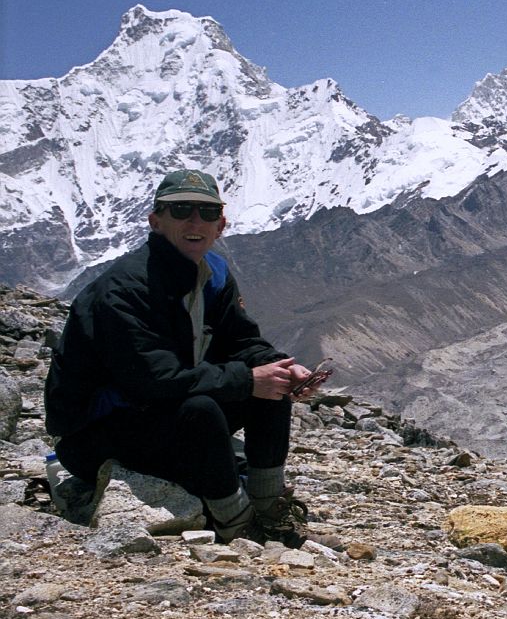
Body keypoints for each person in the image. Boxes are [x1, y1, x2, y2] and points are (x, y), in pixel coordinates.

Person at [44, 169, 328, 546]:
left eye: (207, 213)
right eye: (181, 210)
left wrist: (282, 368)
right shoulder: (125, 288)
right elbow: (152, 379)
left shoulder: (213, 274)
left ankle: (268, 507)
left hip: (159, 413)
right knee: (203, 408)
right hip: (95, 433)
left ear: (221, 225)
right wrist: (246, 380)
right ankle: (236, 522)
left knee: (270, 388)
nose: (195, 222)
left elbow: (240, 340)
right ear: (155, 221)